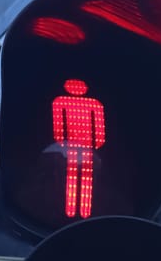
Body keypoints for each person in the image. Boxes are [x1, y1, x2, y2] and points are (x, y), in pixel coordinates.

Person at [52, 79, 105, 218]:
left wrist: (93, 147)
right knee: (75, 178)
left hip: (81, 148)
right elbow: (60, 127)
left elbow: (98, 127)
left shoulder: (92, 104)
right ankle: (75, 211)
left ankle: (81, 212)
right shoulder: (61, 101)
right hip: (77, 147)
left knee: (83, 179)